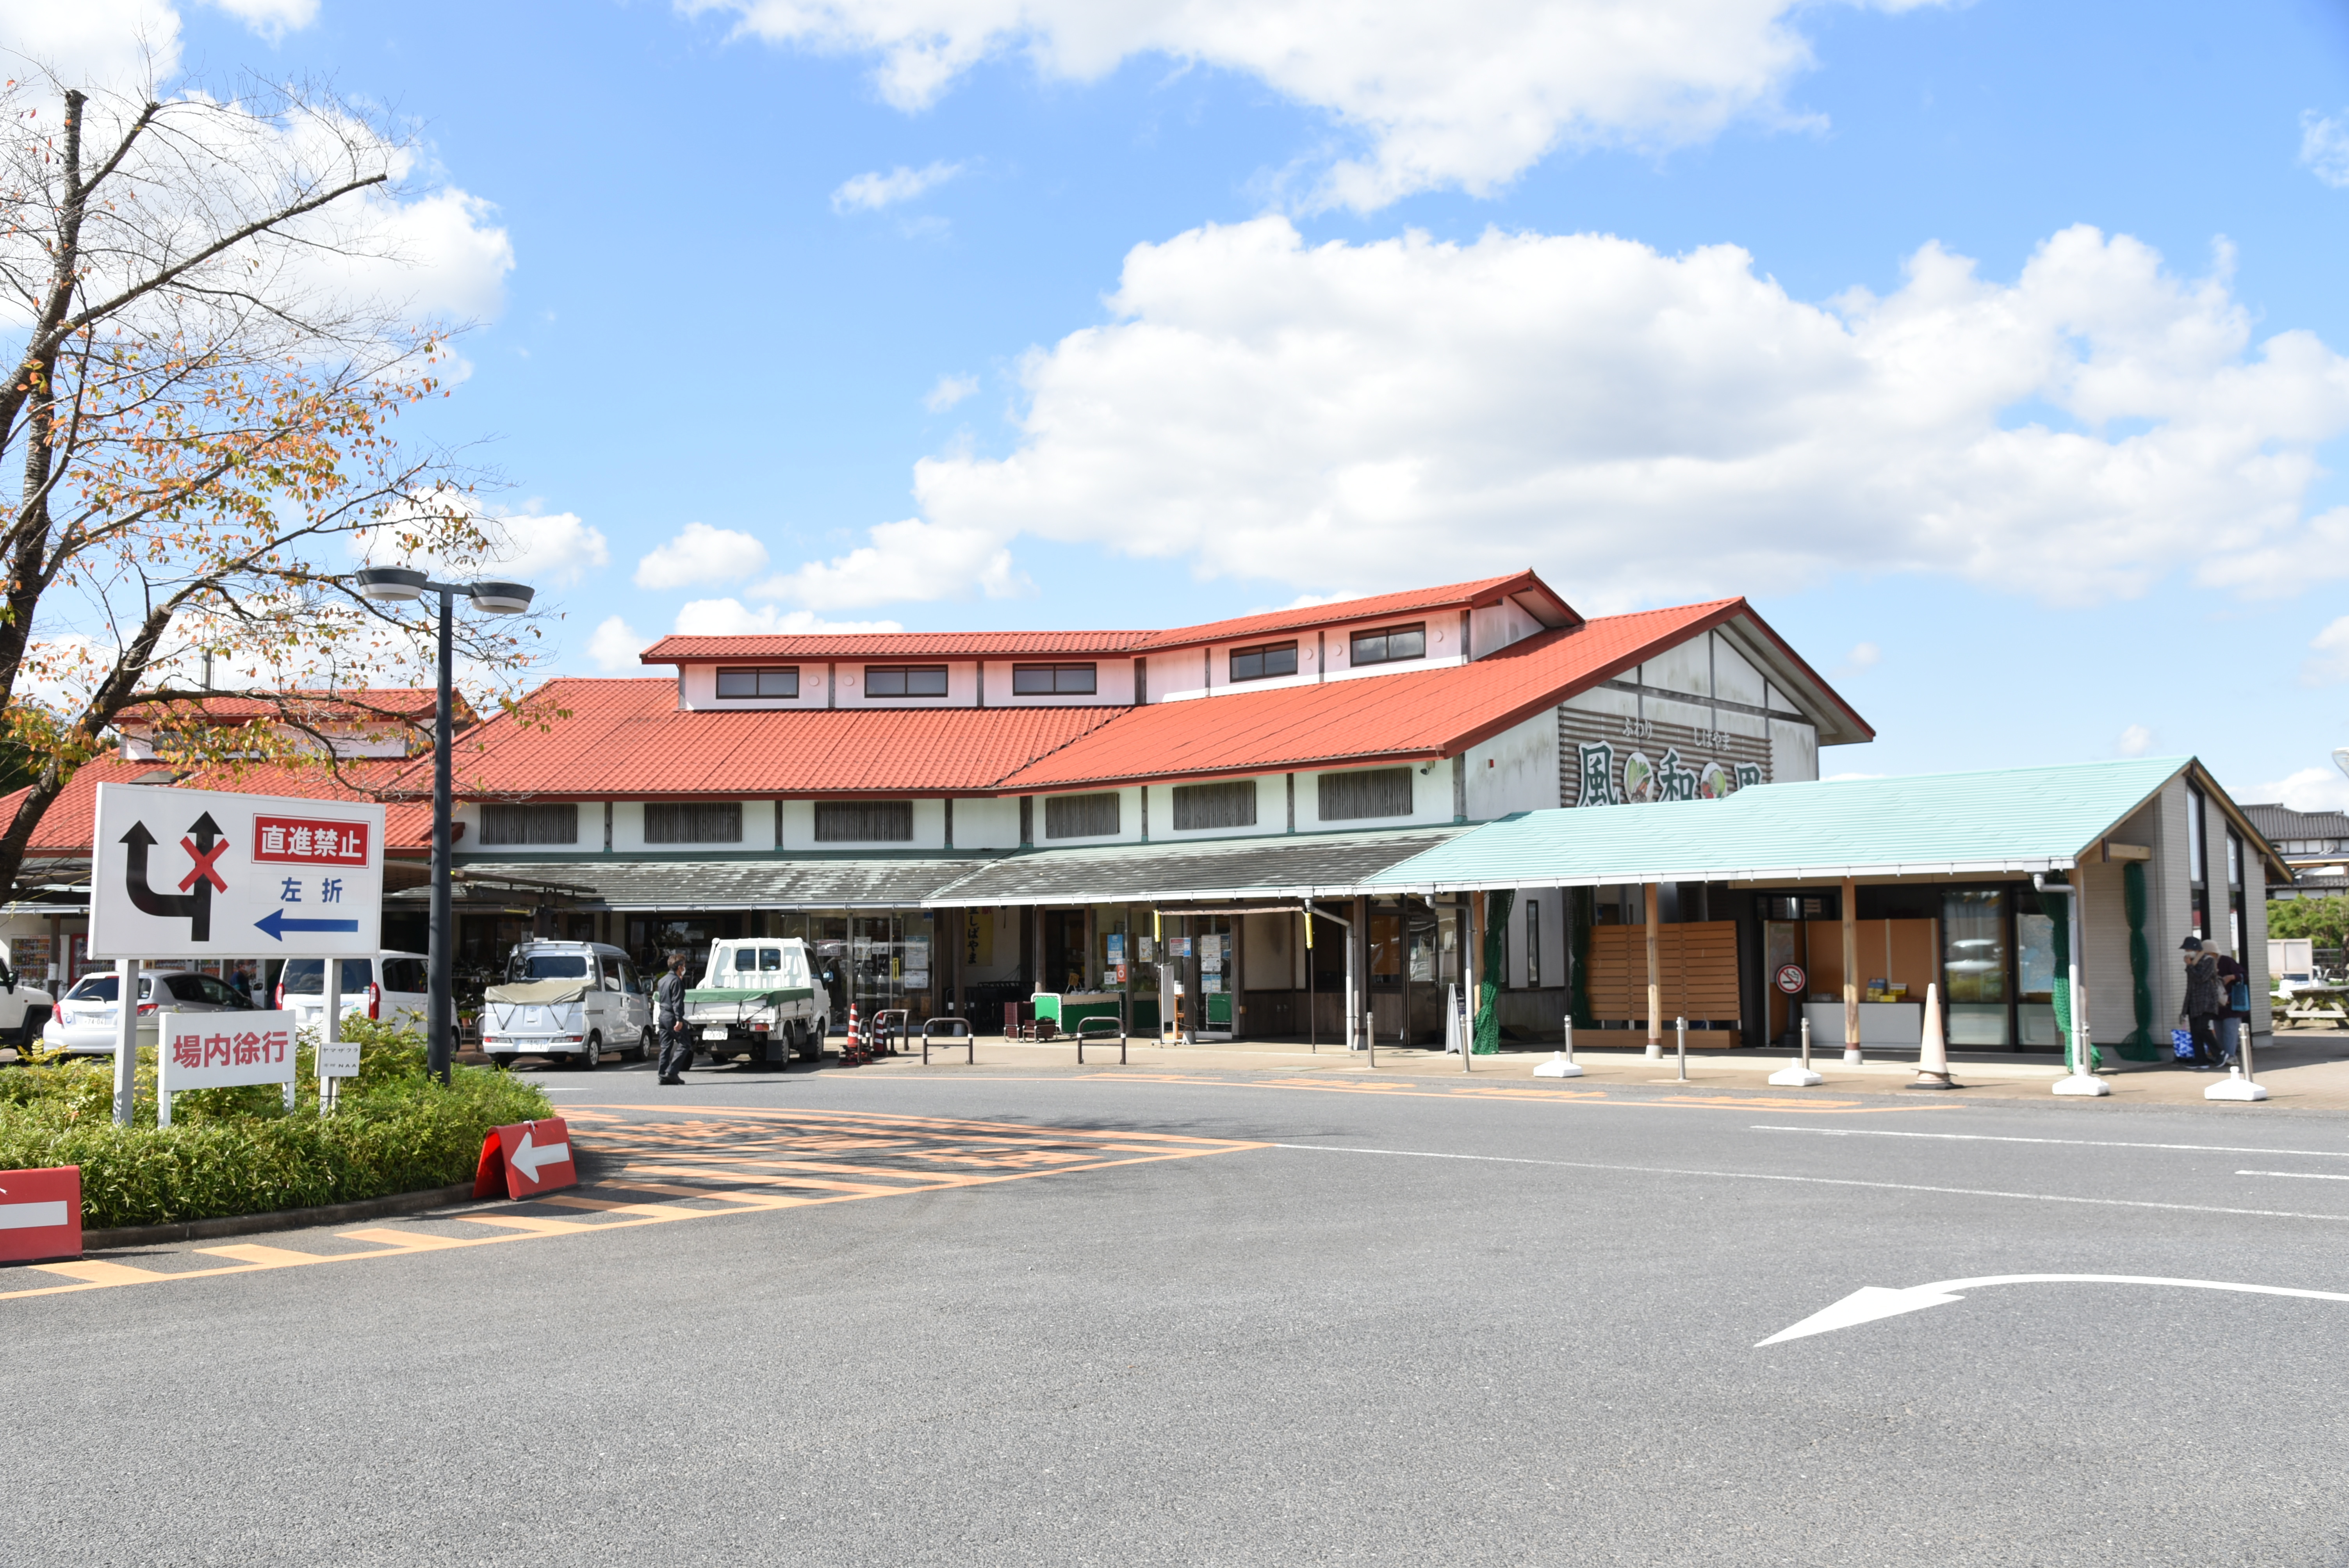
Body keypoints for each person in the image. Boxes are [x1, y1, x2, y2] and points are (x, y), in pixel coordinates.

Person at [2179, 937, 2224, 1069]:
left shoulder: (2208, 960)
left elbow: (2201, 978)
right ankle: (2201, 1060)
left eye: (2188, 949)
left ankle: (2220, 1053)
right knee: (2195, 1031)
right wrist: (2184, 1008)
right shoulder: (2193, 962)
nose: (2187, 952)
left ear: (2195, 949)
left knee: (2202, 1028)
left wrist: (2189, 966)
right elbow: (2191, 986)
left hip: (2206, 1001)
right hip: (2194, 1002)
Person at [655, 950, 693, 1085]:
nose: (684, 968)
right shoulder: (676, 981)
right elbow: (677, 1002)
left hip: (663, 1016)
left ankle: (662, 1075)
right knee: (685, 1044)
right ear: (680, 968)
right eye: (684, 966)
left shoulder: (662, 981)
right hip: (672, 1017)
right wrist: (679, 1020)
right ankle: (672, 1072)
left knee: (666, 1047)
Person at [2214, 950, 2251, 1068]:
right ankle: (2224, 1057)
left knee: (2230, 1032)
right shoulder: (2205, 963)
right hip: (2216, 1006)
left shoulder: (2226, 961)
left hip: (2231, 1005)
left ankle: (2231, 1056)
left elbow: (2244, 975)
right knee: (2219, 1033)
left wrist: (2232, 977)